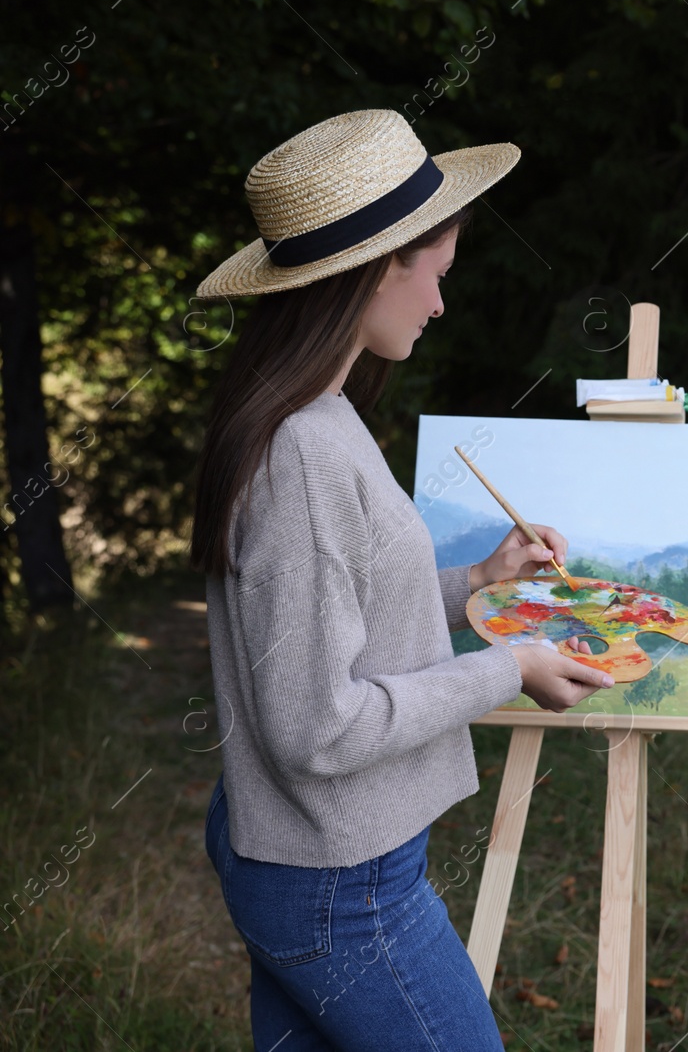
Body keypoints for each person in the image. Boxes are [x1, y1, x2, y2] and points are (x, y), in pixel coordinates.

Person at [186, 109, 613, 1050]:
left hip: (304, 857)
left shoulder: (317, 414)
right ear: (380, 267)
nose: (439, 304)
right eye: (436, 276)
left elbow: (341, 609)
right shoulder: (303, 450)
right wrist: (512, 668)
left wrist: (475, 581)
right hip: (340, 884)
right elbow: (316, 725)